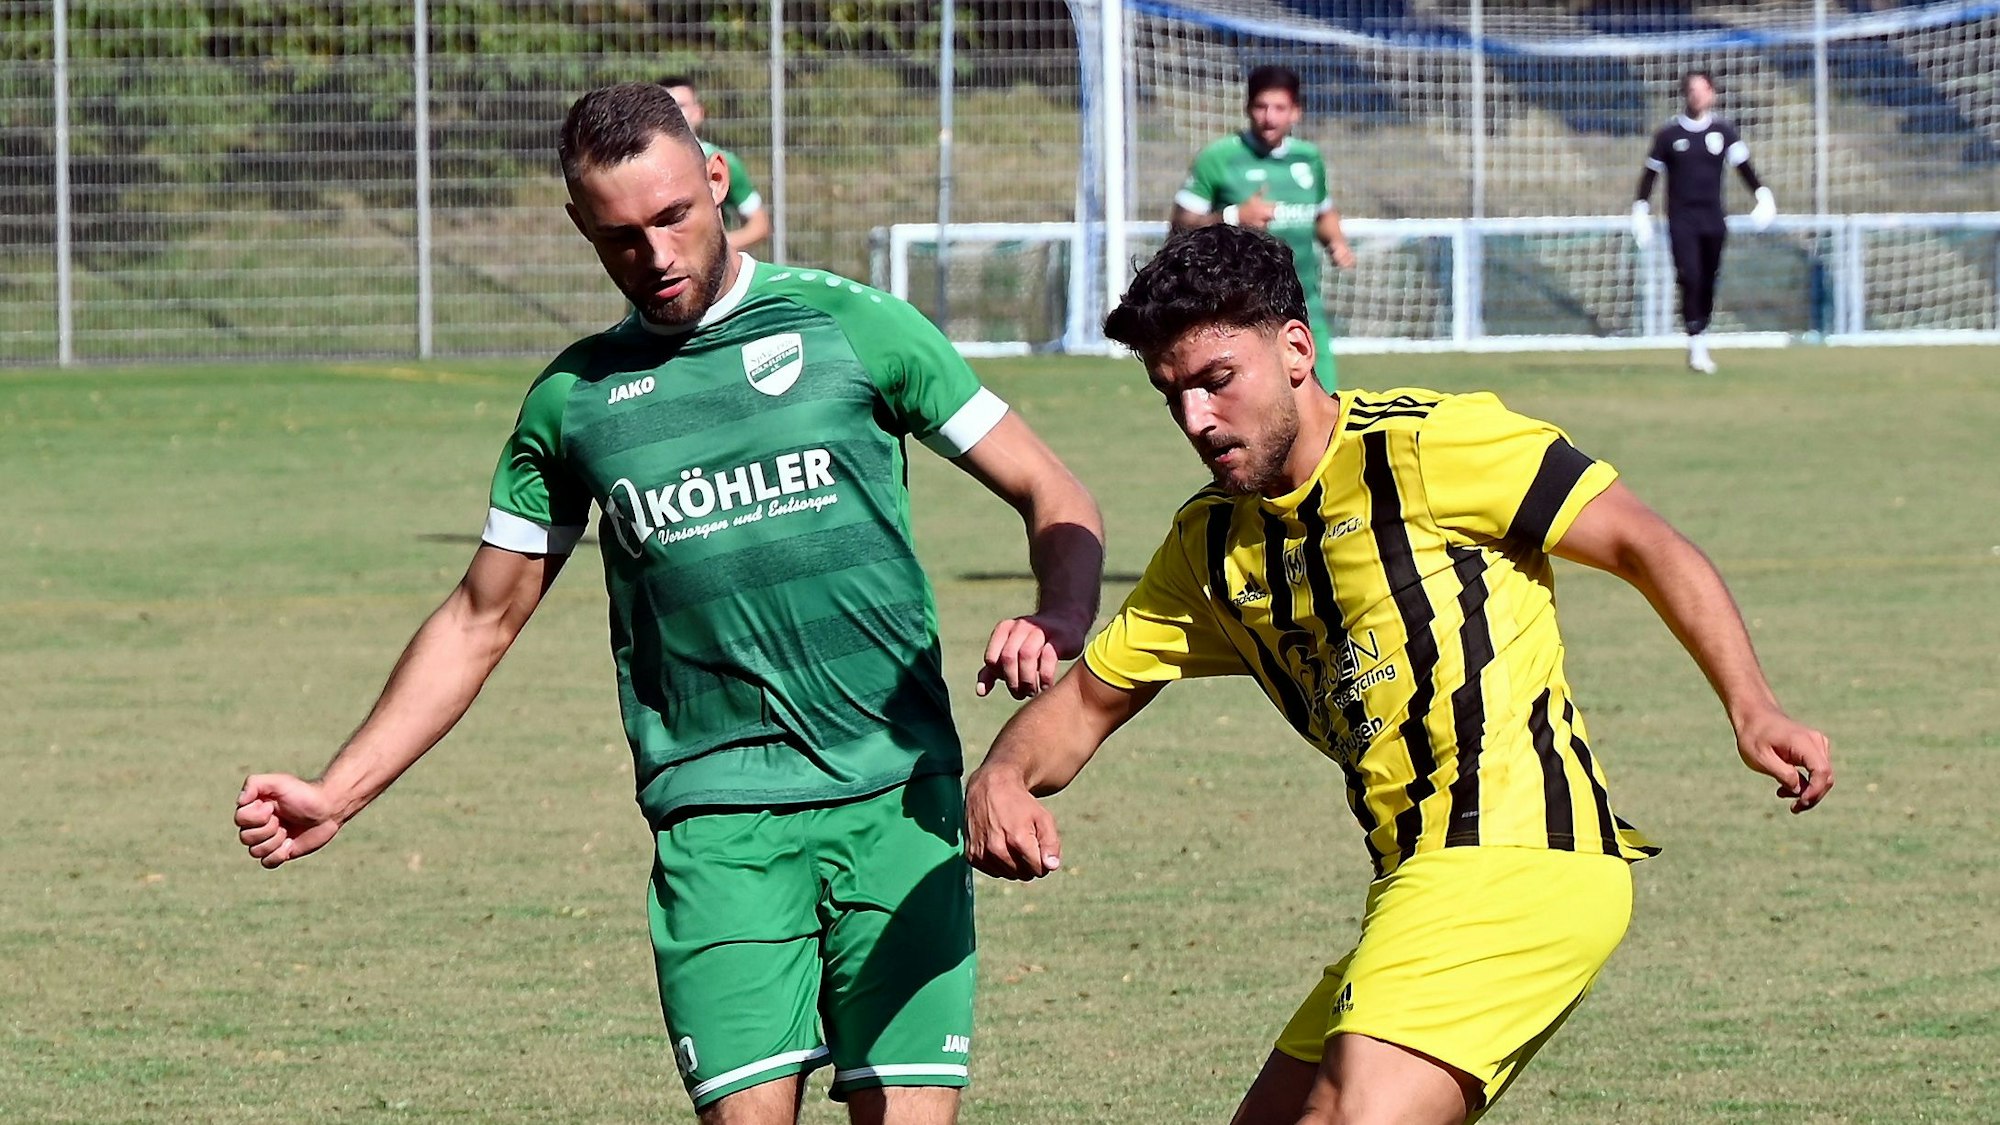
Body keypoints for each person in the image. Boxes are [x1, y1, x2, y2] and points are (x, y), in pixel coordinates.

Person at [234, 82, 1105, 1125]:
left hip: (897, 801)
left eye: (671, 217)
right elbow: (480, 618)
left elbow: (1053, 492)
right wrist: (341, 791)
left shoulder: (852, 327)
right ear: (579, 229)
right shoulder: (573, 405)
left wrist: (1056, 616)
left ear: (716, 181)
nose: (652, 254)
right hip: (717, 827)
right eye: (618, 237)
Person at [964, 225, 1833, 1125]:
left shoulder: (1434, 447)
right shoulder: (1212, 547)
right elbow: (1085, 704)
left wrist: (1753, 705)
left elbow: (1646, 543)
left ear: (1296, 349)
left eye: (1217, 380)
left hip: (1519, 859)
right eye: (1171, 394)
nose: (1196, 420)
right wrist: (1002, 774)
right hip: (1414, 884)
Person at [1172, 64, 1354, 392]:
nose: (1269, 117)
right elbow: (1179, 226)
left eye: (1280, 108)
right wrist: (1232, 217)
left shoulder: (1308, 158)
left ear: (1295, 112)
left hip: (1303, 300)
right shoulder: (1220, 157)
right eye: (1261, 106)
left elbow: (1323, 212)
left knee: (1323, 396)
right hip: (1242, 305)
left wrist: (1337, 242)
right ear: (1247, 108)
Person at [1632, 69, 1776, 374]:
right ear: (1685, 94)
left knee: (1708, 280)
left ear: (1712, 94)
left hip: (1713, 220)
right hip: (1682, 221)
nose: (1696, 95)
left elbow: (1744, 167)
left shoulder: (1723, 133)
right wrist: (1640, 209)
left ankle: (1702, 332)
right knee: (1690, 277)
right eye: (1691, 90)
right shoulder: (1669, 135)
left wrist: (1763, 195)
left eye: (1702, 89)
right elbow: (1650, 175)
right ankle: (1696, 343)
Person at [662, 74, 772, 254]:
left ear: (698, 113)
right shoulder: (639, 167)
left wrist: (713, 249)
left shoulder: (721, 162)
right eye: (665, 107)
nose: (673, 114)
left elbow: (760, 224)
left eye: (680, 106)